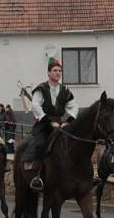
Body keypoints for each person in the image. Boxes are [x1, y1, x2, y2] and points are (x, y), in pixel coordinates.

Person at [27, 57, 78, 192]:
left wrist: (68, 122)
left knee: (74, 145)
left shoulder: (65, 90)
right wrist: (49, 123)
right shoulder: (41, 89)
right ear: (49, 73)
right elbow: (35, 106)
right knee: (40, 144)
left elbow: (73, 107)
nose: (58, 73)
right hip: (44, 125)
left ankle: (76, 175)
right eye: (55, 70)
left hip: (60, 124)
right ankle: (37, 176)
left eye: (60, 71)